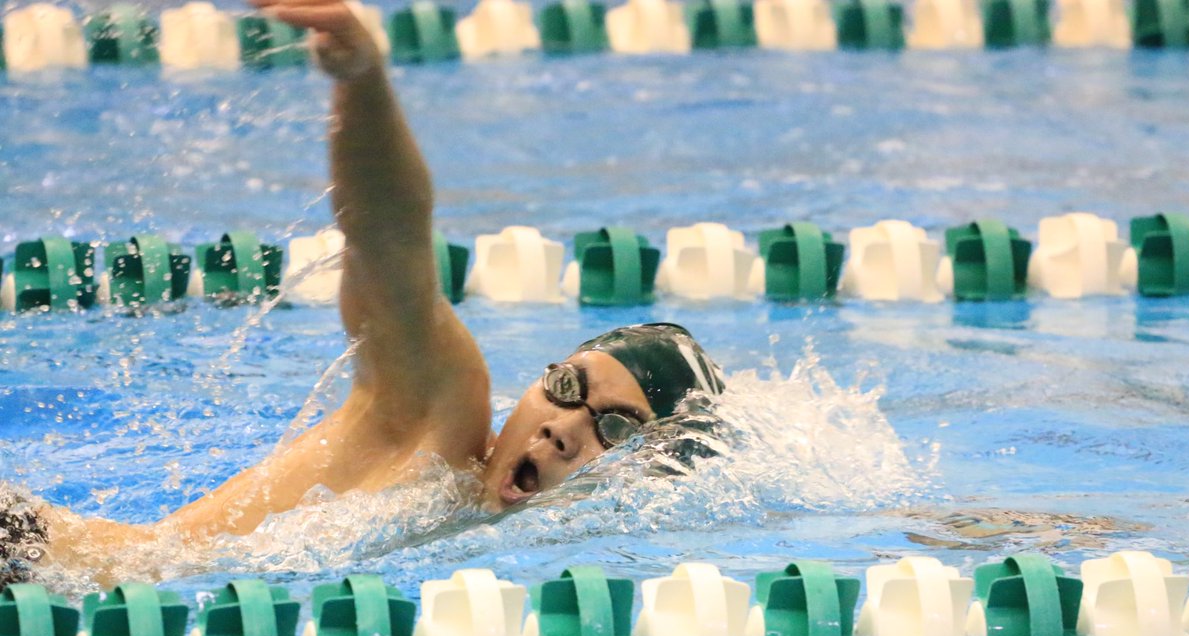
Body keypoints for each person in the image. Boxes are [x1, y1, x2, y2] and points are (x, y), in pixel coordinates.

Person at [0, 0, 725, 588]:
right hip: (35, 558)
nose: (565, 427)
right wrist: (365, 82)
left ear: (651, 473)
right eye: (568, 386)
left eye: (617, 430)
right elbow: (390, 240)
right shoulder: (429, 420)